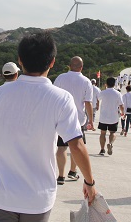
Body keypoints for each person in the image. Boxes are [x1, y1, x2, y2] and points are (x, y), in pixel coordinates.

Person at [0, 32, 96, 221]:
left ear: (20, 60)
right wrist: (89, 182)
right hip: (38, 199)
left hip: (2, 196)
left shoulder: (0, 93)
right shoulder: (61, 98)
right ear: (52, 62)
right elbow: (76, 145)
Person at [54, 56, 93, 185]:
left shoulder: (60, 78)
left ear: (69, 66)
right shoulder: (86, 81)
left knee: (61, 147)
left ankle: (60, 176)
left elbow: (53, 95)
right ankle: (72, 171)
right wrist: (91, 120)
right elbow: (88, 103)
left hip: (61, 118)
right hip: (78, 119)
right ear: (81, 67)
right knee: (76, 146)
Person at [0, 62, 20, 171]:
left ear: (3, 75)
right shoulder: (22, 90)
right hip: (19, 132)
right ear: (16, 74)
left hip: (2, 132)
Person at [97, 77, 124, 156]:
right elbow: (121, 105)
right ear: (114, 84)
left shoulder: (103, 92)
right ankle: (110, 143)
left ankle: (102, 149)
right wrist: (123, 113)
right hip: (113, 117)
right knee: (112, 133)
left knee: (102, 133)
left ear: (106, 84)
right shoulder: (118, 93)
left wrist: (98, 105)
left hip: (103, 117)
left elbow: (98, 98)